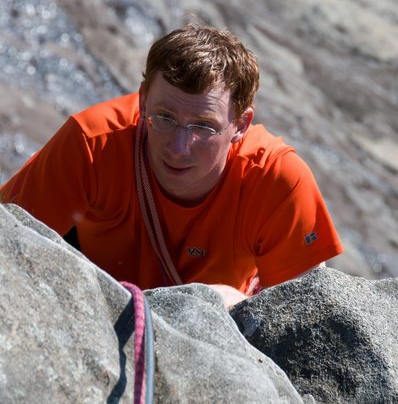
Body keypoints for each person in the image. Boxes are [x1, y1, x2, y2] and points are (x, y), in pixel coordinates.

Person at [0, 24, 343, 307]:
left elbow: (304, 318)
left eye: (204, 126)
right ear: (143, 101)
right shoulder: (93, 143)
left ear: (240, 124)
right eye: (164, 117)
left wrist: (239, 306)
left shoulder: (277, 181)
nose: (179, 147)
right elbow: (7, 241)